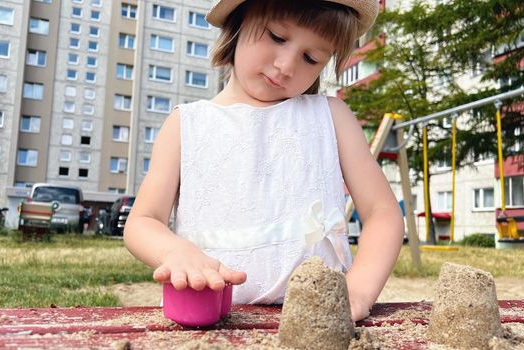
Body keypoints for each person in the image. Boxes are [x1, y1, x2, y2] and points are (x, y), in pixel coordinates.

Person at [124, 0, 404, 321]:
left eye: (311, 58)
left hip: (317, 320)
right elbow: (143, 221)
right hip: (212, 321)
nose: (286, 65)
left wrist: (358, 290)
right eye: (277, 37)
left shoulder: (331, 117)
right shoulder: (186, 125)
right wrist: (176, 252)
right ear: (239, 21)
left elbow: (383, 212)